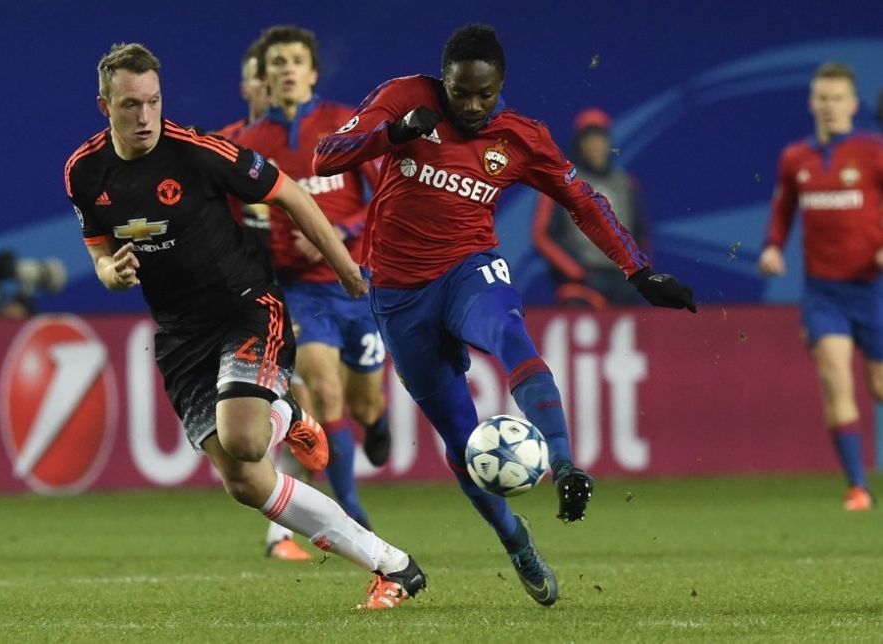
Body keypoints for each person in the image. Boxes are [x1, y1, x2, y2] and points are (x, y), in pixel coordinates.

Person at [314, 24, 695, 607]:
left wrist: (637, 271)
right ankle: (516, 541)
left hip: (470, 269)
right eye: (459, 93)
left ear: (500, 88)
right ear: (443, 80)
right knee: (465, 447)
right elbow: (327, 154)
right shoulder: (403, 97)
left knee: (509, 332)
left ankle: (565, 463)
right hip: (397, 294)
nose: (470, 106)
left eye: (483, 95)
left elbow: (583, 201)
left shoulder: (520, 137)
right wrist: (391, 134)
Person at [65, 42, 426, 609]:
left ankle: (285, 412)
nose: (144, 117)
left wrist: (347, 270)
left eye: (153, 102)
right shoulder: (84, 172)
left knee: (245, 439)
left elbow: (291, 195)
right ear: (103, 105)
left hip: (245, 308)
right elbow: (99, 253)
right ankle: (393, 567)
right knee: (245, 482)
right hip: (180, 335)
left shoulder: (199, 153)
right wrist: (112, 272)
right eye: (130, 105)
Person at [235, 25, 392, 558]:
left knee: (365, 402)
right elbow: (234, 218)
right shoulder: (249, 145)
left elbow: (384, 199)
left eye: (295, 60)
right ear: (265, 74)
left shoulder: (344, 127)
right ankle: (351, 507)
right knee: (324, 394)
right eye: (276, 61)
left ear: (312, 72)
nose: (285, 69)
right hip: (299, 293)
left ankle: (376, 421)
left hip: (354, 283)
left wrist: (338, 234)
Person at [758, 62, 883, 512]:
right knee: (834, 376)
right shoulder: (796, 157)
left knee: (879, 386)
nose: (830, 107)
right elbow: (784, 208)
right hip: (822, 291)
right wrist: (773, 246)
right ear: (812, 103)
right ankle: (858, 487)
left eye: (838, 98)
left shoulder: (873, 151)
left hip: (873, 289)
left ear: (853, 103)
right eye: (823, 98)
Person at [532, 108, 649, 308]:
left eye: (600, 139)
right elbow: (542, 236)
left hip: (621, 282)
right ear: (579, 144)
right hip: (581, 283)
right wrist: (576, 272)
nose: (595, 146)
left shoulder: (627, 185)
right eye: (589, 140)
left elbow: (642, 235)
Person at [213, 41, 273, 245]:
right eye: (260, 77)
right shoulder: (221, 143)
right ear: (244, 89)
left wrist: (341, 230)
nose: (268, 84)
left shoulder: (319, 144)